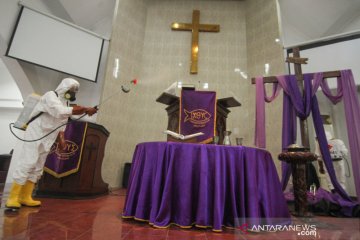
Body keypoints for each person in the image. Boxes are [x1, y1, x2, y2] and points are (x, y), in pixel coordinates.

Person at [6, 78, 97, 209]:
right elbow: (59, 111)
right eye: (71, 90)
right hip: (36, 133)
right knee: (28, 162)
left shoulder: (64, 102)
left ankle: (25, 196)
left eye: (75, 91)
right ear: (64, 88)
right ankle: (13, 197)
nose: (72, 93)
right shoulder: (50, 96)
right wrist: (85, 109)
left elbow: (61, 123)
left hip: (49, 136)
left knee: (38, 166)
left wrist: (62, 140)